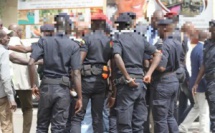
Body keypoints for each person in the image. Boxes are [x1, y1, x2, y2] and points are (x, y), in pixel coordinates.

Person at [28, 13, 82, 132]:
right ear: (69, 26)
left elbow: (31, 63)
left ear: (55, 26)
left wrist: (33, 85)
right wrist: (80, 97)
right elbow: (76, 73)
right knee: (59, 128)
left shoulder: (44, 41)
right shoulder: (73, 45)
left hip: (46, 87)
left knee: (41, 126)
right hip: (63, 89)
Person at [112, 12, 161, 132]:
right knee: (138, 123)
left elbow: (117, 56)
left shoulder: (118, 39)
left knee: (124, 124)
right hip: (140, 82)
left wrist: (127, 77)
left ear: (119, 26)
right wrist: (149, 74)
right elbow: (158, 54)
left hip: (127, 84)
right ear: (131, 25)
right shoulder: (140, 38)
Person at [70, 13, 112, 133]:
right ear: (104, 24)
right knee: (98, 117)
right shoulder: (109, 41)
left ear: (93, 24)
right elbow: (111, 63)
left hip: (86, 82)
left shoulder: (87, 39)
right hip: (101, 82)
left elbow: (78, 62)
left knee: (77, 116)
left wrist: (74, 82)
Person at [151, 18, 181, 133]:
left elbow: (161, 67)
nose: (157, 30)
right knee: (170, 116)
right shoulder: (177, 43)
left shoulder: (163, 45)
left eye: (158, 28)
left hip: (163, 82)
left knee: (160, 119)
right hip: (174, 80)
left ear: (164, 28)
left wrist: (151, 61)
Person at [179, 30, 210, 133]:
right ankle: (204, 131)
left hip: (194, 83)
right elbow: (203, 68)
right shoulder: (203, 50)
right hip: (201, 85)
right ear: (207, 38)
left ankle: (183, 127)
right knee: (204, 110)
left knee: (196, 107)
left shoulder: (196, 48)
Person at [7, 24, 34, 133]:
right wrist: (34, 84)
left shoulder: (4, 43)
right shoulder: (22, 45)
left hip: (7, 82)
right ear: (18, 32)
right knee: (27, 109)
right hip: (23, 83)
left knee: (7, 109)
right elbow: (31, 64)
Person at [192, 20, 215, 133]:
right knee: (212, 113)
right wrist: (196, 82)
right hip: (211, 83)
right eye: (211, 29)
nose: (211, 31)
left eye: (212, 29)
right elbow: (204, 65)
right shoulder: (208, 44)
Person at [0, 29, 17, 133]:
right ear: (1, 39)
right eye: (6, 36)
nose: (9, 38)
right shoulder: (3, 52)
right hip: (2, 96)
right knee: (6, 126)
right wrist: (11, 98)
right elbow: (5, 77)